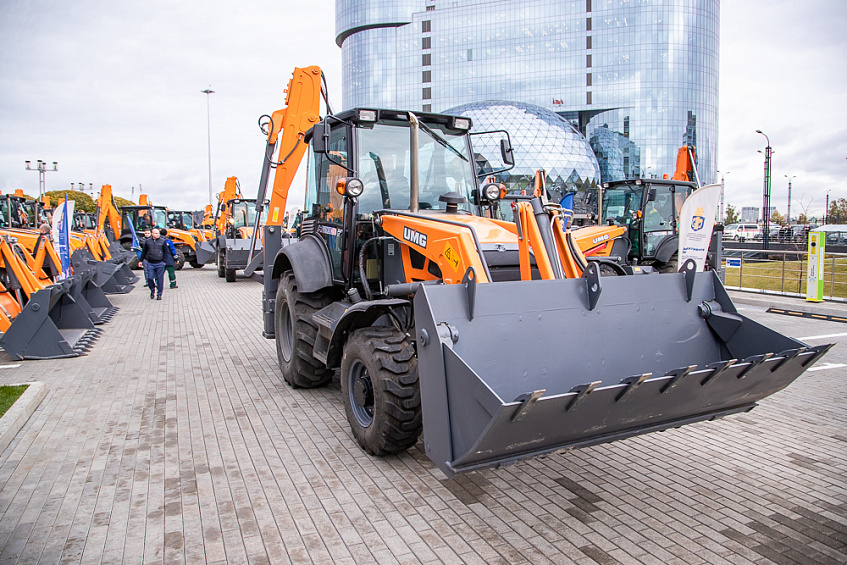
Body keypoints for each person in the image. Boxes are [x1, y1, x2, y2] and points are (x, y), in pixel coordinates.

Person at [138, 227, 168, 300]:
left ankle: (159, 294)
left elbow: (166, 252)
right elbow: (144, 252)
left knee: (160, 279)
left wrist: (165, 261)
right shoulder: (147, 242)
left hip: (160, 263)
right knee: (150, 278)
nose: (158, 234)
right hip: (150, 262)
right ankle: (152, 290)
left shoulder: (162, 241)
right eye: (156, 233)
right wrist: (140, 260)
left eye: (158, 233)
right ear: (152, 234)